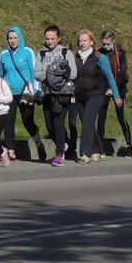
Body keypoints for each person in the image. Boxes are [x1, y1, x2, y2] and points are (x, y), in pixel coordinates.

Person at [73, 29, 119, 163]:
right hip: (80, 95)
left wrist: (116, 96)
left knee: (88, 120)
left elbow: (110, 77)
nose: (82, 43)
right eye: (80, 41)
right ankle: (97, 149)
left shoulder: (99, 57)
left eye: (85, 40)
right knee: (86, 122)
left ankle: (85, 153)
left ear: (92, 42)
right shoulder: (76, 57)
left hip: (96, 94)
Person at [0, 27, 45, 162]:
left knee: (28, 121)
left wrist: (36, 90)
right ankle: (11, 150)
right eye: (10, 38)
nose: (12, 41)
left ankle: (39, 144)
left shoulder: (27, 52)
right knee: (8, 120)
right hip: (9, 93)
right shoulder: (4, 55)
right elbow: (1, 75)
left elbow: (33, 72)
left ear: (20, 38)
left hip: (26, 93)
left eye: (15, 38)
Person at [36, 25, 77, 166]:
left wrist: (58, 75)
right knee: (49, 125)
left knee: (58, 123)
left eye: (52, 38)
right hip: (47, 93)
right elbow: (36, 73)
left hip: (62, 94)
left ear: (58, 38)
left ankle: (59, 154)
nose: (49, 41)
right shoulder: (41, 54)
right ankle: (63, 144)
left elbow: (73, 73)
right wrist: (48, 74)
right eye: (47, 39)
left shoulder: (66, 53)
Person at [97, 31, 132, 156]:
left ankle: (129, 144)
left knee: (121, 117)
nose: (105, 46)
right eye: (103, 44)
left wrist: (114, 90)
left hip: (119, 87)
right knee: (101, 117)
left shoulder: (120, 54)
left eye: (107, 44)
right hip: (104, 88)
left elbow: (122, 74)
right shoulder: (99, 53)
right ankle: (99, 146)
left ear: (113, 41)